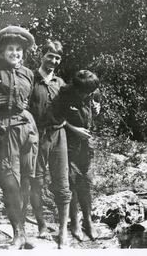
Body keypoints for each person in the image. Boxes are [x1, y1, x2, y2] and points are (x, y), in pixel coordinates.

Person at [0, 26, 39, 249]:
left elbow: (35, 101)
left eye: (19, 50)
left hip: (26, 130)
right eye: (10, 49)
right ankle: (17, 233)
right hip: (3, 128)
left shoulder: (29, 73)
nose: (15, 53)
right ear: (2, 50)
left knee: (27, 181)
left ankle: (23, 233)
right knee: (10, 182)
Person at [29, 40, 72, 249]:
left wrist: (94, 103)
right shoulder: (30, 79)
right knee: (35, 182)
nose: (53, 61)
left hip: (58, 136)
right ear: (42, 55)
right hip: (35, 137)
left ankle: (63, 232)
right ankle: (41, 225)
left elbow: (77, 103)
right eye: (50, 56)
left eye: (57, 58)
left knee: (62, 185)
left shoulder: (61, 83)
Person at [59, 70, 101, 242]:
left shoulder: (93, 91)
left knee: (86, 181)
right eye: (84, 93)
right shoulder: (65, 93)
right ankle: (74, 222)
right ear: (76, 88)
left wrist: (97, 109)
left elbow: (94, 112)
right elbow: (57, 117)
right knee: (72, 181)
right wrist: (74, 129)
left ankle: (88, 222)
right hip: (69, 143)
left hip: (86, 144)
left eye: (90, 93)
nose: (87, 95)